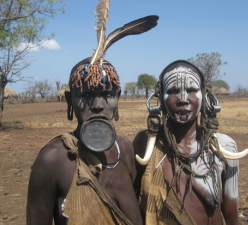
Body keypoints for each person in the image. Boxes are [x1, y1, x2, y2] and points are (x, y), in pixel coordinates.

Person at [26, 1, 159, 224]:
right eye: (86, 95)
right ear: (70, 101)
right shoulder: (54, 159)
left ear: (117, 99)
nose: (97, 105)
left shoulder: (125, 148)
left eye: (107, 95)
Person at [133, 60, 248, 225]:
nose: (182, 99)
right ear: (159, 100)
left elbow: (230, 211)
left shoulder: (223, 147)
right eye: (173, 91)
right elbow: (134, 199)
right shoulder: (145, 143)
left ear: (205, 97)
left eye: (192, 90)